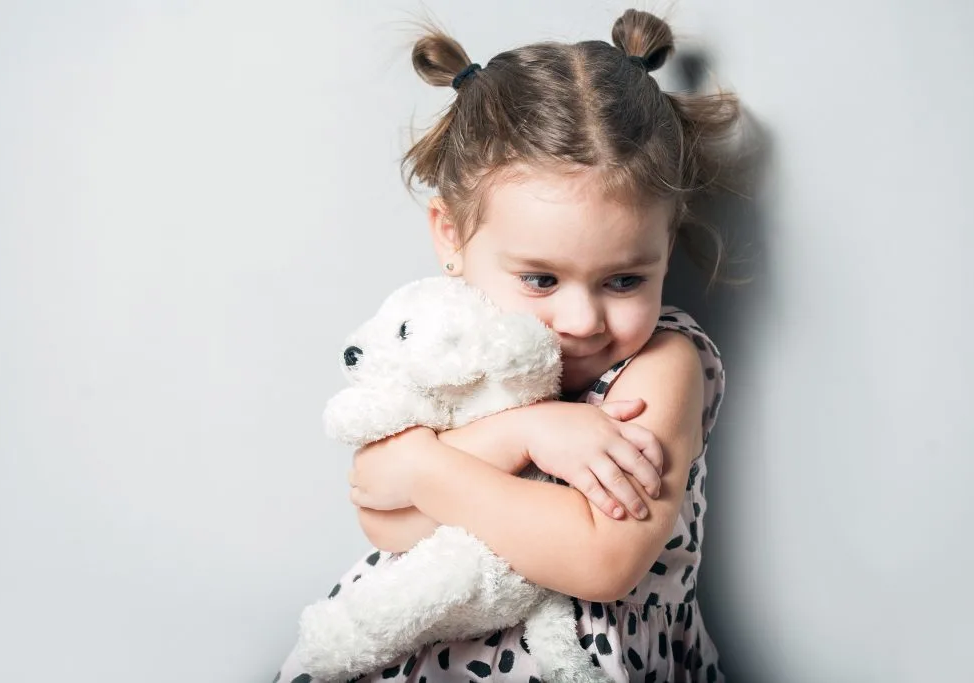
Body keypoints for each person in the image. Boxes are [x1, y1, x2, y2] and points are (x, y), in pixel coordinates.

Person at [274, 8, 739, 682]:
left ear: (667, 245)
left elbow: (600, 561)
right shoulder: (454, 347)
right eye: (541, 278)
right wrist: (528, 429)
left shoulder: (661, 367)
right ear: (451, 238)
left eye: (624, 279)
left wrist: (422, 463)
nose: (581, 318)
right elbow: (385, 514)